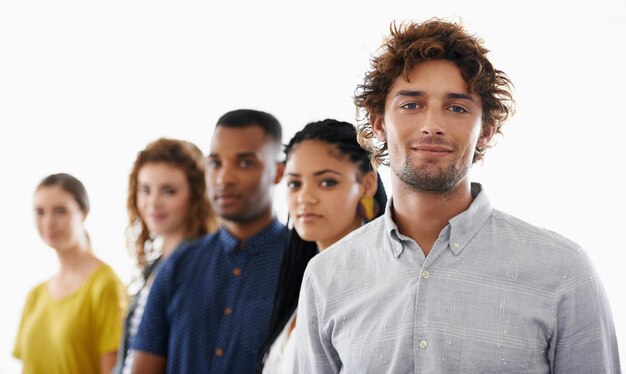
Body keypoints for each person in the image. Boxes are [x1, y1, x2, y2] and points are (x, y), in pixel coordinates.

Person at [293, 19, 621, 373]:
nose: (432, 125)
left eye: (457, 108)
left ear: (486, 130)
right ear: (378, 122)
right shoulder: (326, 277)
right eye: (411, 105)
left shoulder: (563, 271)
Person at [131, 109, 288, 373]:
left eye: (245, 163)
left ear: (278, 172)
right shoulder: (177, 265)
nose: (224, 179)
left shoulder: (305, 264)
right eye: (215, 163)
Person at [257, 119, 388, 373]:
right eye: (295, 184)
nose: (305, 198)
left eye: (327, 182)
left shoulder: (379, 284)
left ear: (367, 185)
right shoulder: (302, 279)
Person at [114, 138, 220, 374]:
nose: (153, 202)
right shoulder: (156, 267)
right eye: (145, 190)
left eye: (169, 191)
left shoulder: (202, 267)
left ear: (196, 195)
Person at [13, 173, 126, 374]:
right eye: (40, 212)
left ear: (83, 213)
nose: (48, 222)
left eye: (60, 211)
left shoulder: (106, 287)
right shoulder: (35, 295)